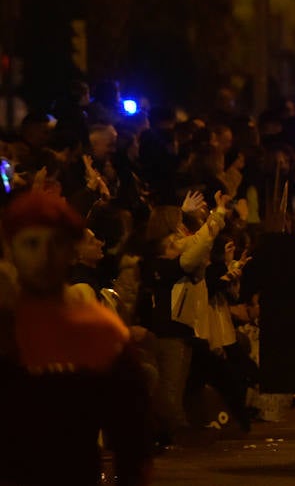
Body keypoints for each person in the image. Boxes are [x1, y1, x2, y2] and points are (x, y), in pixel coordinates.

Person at [0, 190, 154, 485]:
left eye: (56, 243)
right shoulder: (6, 326)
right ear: (10, 249)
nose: (44, 256)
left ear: (71, 250)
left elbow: (130, 432)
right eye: (31, 243)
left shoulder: (99, 329)